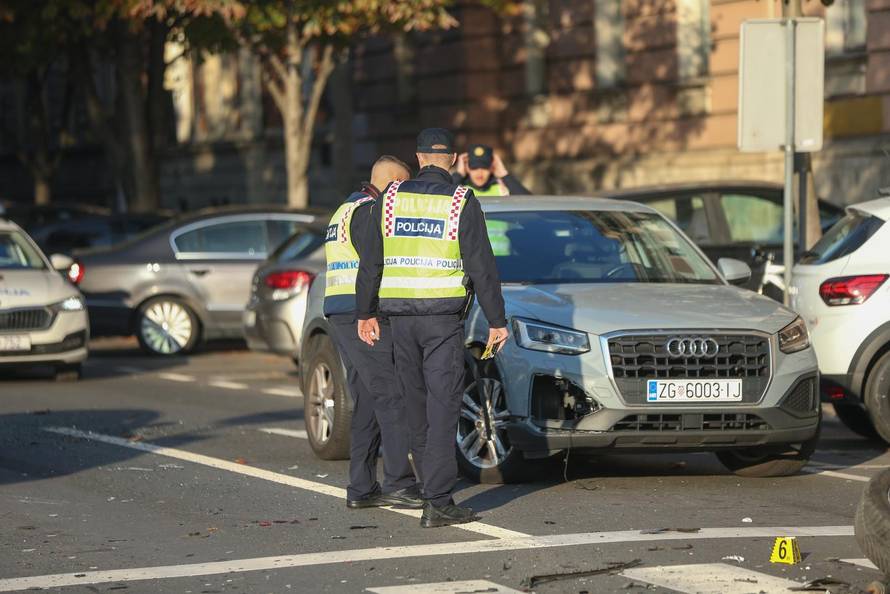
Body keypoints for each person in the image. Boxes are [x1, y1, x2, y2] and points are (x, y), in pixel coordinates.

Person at [355, 128, 509, 528]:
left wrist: (364, 313)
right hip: (441, 322)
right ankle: (437, 501)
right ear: (454, 159)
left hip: (399, 322)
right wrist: (497, 320)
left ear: (419, 157)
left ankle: (430, 491)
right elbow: (482, 265)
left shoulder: (389, 199)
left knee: (417, 409)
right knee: (443, 410)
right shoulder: (461, 201)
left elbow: (371, 261)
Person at [323, 155, 422, 510]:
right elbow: (375, 266)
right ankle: (398, 481)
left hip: (340, 311)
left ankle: (362, 487)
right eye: (404, 186)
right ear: (392, 184)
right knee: (391, 395)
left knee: (366, 399)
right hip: (363, 315)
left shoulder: (345, 209)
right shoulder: (370, 212)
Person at [452, 143, 530, 196]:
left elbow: (530, 203)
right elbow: (443, 198)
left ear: (492, 167)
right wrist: (459, 174)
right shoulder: (460, 190)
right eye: (474, 167)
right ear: (467, 168)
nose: (480, 172)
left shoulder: (502, 189)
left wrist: (504, 174)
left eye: (484, 167)